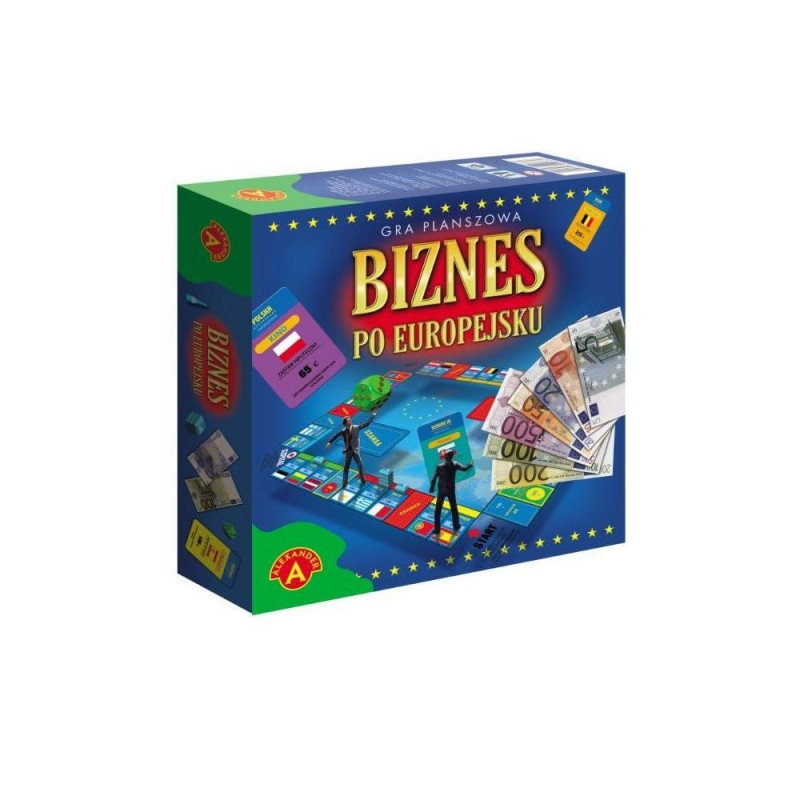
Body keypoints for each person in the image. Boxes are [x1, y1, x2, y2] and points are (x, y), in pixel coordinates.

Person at [325, 411, 376, 489]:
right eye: (348, 421)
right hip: (348, 451)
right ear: (345, 423)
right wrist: (329, 442)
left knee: (360, 465)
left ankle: (363, 480)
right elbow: (336, 436)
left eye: (350, 420)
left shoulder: (356, 427)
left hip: (355, 450)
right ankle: (344, 483)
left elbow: (367, 423)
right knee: (346, 467)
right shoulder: (343, 431)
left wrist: (373, 414)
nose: (350, 421)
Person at [429, 450, 473, 534]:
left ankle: (437, 529)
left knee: (438, 510)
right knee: (454, 508)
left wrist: (431, 488)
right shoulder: (455, 464)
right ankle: (456, 525)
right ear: (452, 457)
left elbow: (433, 479)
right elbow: (464, 469)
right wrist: (470, 464)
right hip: (450, 490)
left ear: (445, 457)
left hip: (441, 491)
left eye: (445, 455)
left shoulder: (439, 466)